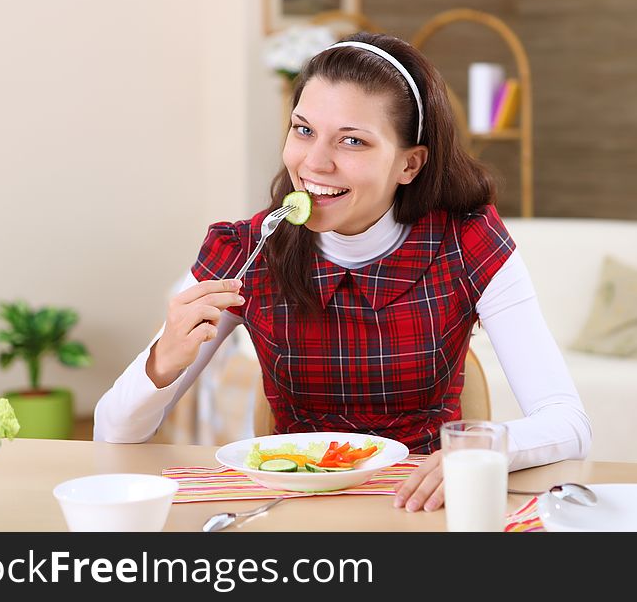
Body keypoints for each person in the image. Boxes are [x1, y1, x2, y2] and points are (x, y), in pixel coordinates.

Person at [94, 32, 591, 513]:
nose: (314, 162)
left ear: (410, 165)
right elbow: (113, 435)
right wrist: (164, 360)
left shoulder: (468, 243)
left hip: (423, 507)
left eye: (351, 141)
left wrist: (481, 450)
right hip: (290, 511)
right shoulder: (245, 249)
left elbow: (568, 422)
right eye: (303, 129)